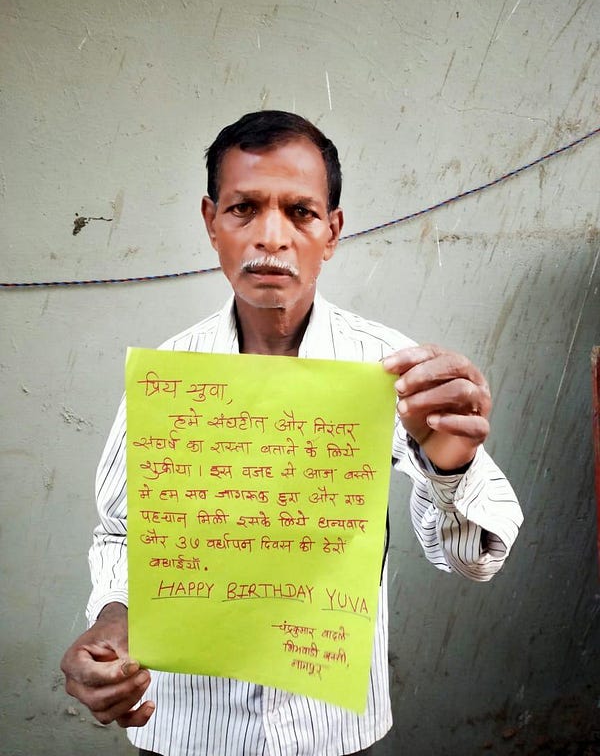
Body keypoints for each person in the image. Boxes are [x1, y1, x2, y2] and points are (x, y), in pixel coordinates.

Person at [61, 110, 523, 756]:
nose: (270, 236)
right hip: (188, 728)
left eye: (300, 212)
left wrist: (449, 461)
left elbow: (474, 559)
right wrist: (113, 619)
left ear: (332, 231)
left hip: (330, 732)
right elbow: (119, 530)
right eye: (243, 208)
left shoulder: (389, 371)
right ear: (211, 222)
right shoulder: (169, 377)